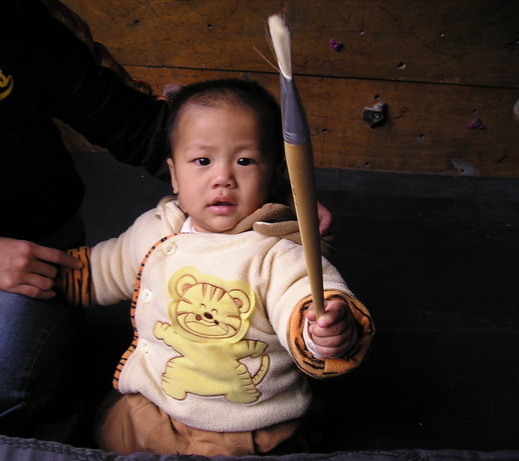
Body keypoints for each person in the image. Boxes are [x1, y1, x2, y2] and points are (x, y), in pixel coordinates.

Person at [60, 79, 374, 456]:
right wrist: (58, 274)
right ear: (174, 175)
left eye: (244, 161)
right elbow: (105, 268)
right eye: (203, 161)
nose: (223, 177)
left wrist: (321, 329)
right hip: (155, 404)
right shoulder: (156, 229)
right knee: (106, 430)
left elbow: (303, 293)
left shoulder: (276, 252)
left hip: (242, 428)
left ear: (274, 175)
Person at [0, 0, 175, 435]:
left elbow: (137, 124)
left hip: (30, 254)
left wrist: (258, 174)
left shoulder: (2, 15)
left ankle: (50, 383)